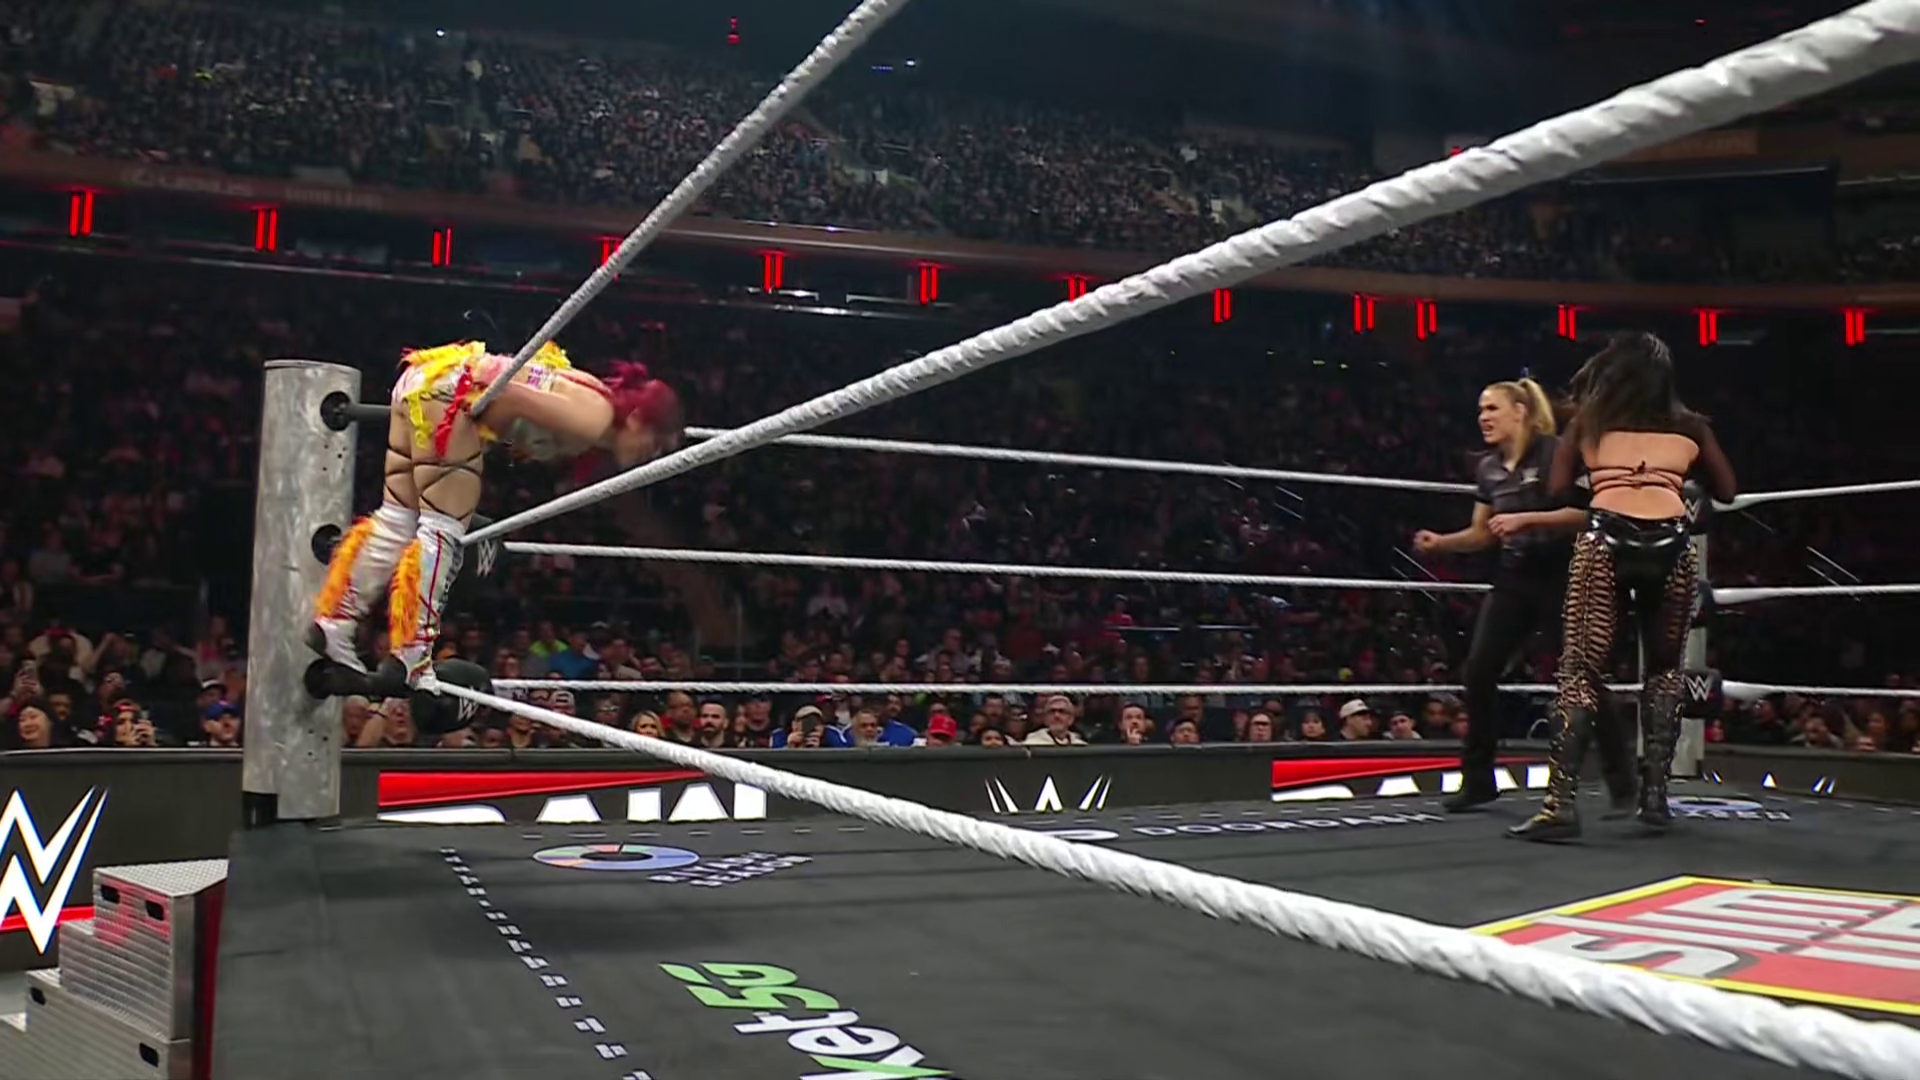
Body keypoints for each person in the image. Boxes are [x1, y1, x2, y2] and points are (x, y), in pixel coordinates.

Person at [310, 341, 682, 688]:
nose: (651, 456)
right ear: (637, 419)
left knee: (397, 518)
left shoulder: (596, 403)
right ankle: (411, 651)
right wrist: (492, 442)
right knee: (442, 528)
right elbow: (508, 397)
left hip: (424, 381)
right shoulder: (593, 420)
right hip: (450, 396)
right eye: (655, 444)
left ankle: (335, 623)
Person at [1511, 332, 1735, 843]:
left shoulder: (1589, 422)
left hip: (1606, 541)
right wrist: (1666, 477)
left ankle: (1560, 805)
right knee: (1664, 670)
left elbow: (1557, 491)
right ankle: (1654, 799)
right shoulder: (1690, 425)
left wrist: (1610, 479)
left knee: (1579, 672)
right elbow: (1726, 490)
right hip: (1672, 546)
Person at [1414, 378, 1633, 813]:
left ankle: (1624, 783)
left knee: (1582, 677)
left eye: (1492, 408)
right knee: (1479, 671)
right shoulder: (1488, 468)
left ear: (1520, 411)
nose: (1483, 417)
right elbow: (1482, 533)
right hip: (1514, 577)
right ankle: (1478, 779)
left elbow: (1588, 513)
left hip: (1563, 574)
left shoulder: (1556, 453)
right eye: (1480, 409)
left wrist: (1527, 520)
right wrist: (1441, 543)